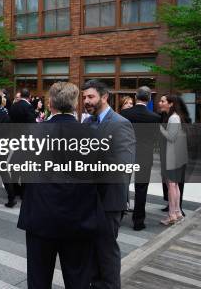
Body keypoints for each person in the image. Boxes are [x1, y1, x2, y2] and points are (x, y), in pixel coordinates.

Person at [18, 82, 103, 289]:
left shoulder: (33, 133)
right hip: (79, 217)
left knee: (38, 280)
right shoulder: (91, 135)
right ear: (75, 104)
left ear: (49, 103)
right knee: (79, 279)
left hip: (40, 216)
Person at [82, 79, 135, 289]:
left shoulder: (121, 123)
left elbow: (124, 165)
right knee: (92, 251)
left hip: (110, 200)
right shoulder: (87, 123)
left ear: (104, 97)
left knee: (106, 252)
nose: (86, 101)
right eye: (84, 97)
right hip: (89, 200)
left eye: (91, 97)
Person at [120, 86, 161, 231]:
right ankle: (138, 221)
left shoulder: (124, 113)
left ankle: (118, 216)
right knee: (141, 188)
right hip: (145, 155)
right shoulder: (155, 117)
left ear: (136, 97)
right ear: (149, 98)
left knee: (121, 185)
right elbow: (155, 139)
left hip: (126, 153)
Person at [158, 94, 190, 226]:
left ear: (170, 104)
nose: (160, 103)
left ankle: (172, 215)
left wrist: (160, 129)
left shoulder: (173, 118)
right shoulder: (175, 117)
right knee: (174, 185)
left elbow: (171, 137)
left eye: (163, 101)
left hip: (172, 157)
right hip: (176, 157)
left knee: (171, 185)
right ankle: (177, 213)